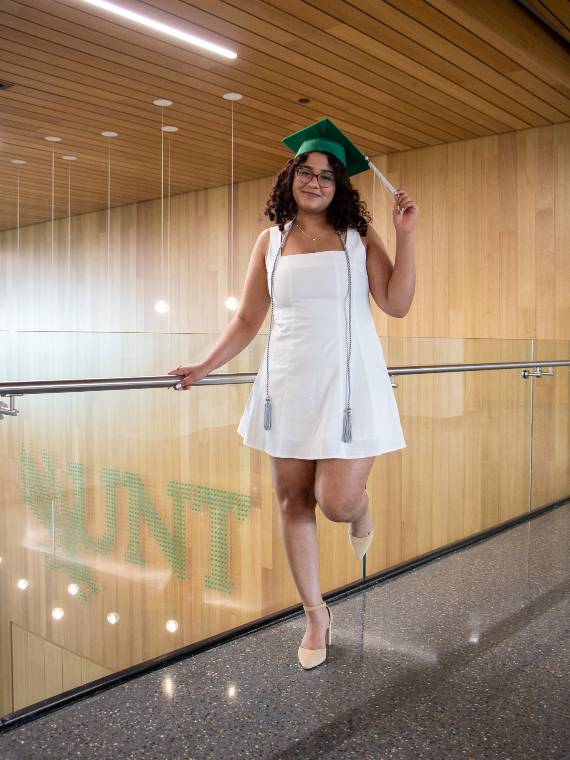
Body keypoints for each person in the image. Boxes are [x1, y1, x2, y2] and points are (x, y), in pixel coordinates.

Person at [169, 118, 418, 670]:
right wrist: (207, 365)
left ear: (340, 186)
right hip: (287, 385)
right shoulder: (270, 242)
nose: (316, 182)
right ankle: (314, 613)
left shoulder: (358, 239)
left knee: (335, 501)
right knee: (293, 501)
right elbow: (248, 317)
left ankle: (360, 510)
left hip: (351, 387)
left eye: (327, 176)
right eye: (307, 172)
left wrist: (404, 234)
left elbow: (396, 304)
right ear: (291, 178)